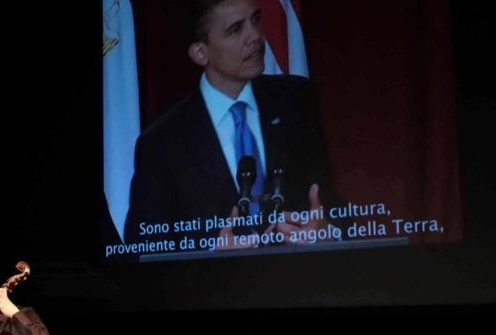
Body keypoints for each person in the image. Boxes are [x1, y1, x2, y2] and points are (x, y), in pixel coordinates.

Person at [124, 0, 344, 249]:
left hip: (299, 282)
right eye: (235, 29)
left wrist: (329, 233)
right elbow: (142, 246)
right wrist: (210, 255)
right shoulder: (161, 142)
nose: (256, 36)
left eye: (255, 20)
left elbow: (327, 198)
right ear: (200, 53)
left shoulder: (296, 101)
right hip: (209, 287)